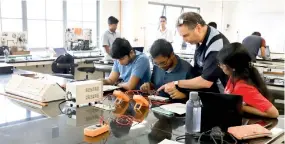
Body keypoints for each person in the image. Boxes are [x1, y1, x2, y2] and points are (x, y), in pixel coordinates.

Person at [158, 12, 229, 93]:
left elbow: (206, 82)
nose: (184, 40)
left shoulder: (215, 46)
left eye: (186, 35)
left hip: (220, 95)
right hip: (207, 93)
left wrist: (176, 83)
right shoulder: (202, 37)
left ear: (198, 28)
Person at [217, 42, 279, 118]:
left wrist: (241, 107)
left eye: (221, 64)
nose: (219, 66)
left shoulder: (242, 87)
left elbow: (274, 113)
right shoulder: (233, 77)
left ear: (232, 67)